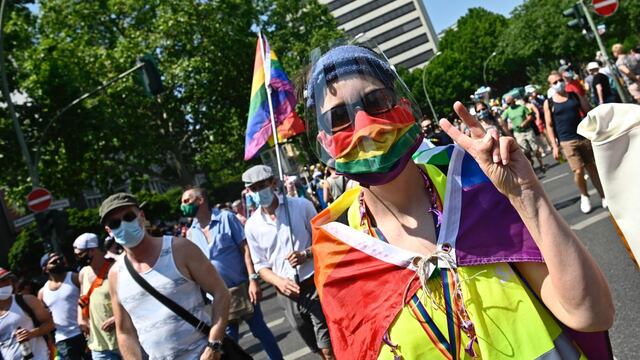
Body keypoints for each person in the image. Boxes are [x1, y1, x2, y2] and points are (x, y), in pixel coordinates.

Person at [304, 44, 613, 359]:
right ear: (325, 143)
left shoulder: (476, 187)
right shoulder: (339, 254)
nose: (365, 127)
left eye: (377, 101)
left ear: (406, 108)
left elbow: (590, 314)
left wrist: (527, 195)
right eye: (339, 117)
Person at [102, 193, 231, 360]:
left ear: (141, 216)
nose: (124, 225)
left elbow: (221, 292)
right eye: (115, 223)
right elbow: (125, 331)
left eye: (128, 217)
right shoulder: (115, 275)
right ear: (109, 231)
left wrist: (214, 344)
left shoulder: (180, 249)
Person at [242, 165, 334, 360]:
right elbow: (260, 265)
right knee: (315, 348)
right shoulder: (252, 225)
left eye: (261, 186)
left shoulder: (301, 206)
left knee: (327, 346)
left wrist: (305, 254)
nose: (258, 192)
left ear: (273, 183)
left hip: (315, 284)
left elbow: (326, 240)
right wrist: (278, 282)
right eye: (253, 188)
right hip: (287, 294)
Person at [181, 187, 284, 360]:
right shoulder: (191, 233)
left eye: (186, 201)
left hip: (243, 289)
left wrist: (253, 279)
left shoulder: (225, 218)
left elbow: (245, 249)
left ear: (200, 200)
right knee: (228, 342)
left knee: (260, 332)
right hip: (218, 298)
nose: (183, 206)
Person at [544, 71, 606, 213]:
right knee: (578, 170)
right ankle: (584, 195)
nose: (558, 83)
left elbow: (587, 110)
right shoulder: (549, 103)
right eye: (554, 82)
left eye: (560, 80)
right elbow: (549, 125)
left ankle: (604, 196)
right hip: (567, 141)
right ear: (550, 86)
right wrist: (554, 146)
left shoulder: (573, 96)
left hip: (583, 137)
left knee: (592, 167)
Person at [73, 233, 120, 359]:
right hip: (99, 347)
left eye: (80, 254)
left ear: (92, 250)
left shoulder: (116, 269)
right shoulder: (83, 273)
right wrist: (81, 319)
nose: (77, 258)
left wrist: (117, 317)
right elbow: (83, 299)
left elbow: (133, 300)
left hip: (123, 340)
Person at [38, 252, 90, 360]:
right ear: (45, 269)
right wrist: (51, 339)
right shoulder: (42, 293)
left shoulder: (74, 278)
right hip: (63, 340)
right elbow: (45, 320)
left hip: (85, 332)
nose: (58, 262)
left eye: (60, 259)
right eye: (53, 262)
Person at [0, 267, 54, 360]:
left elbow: (50, 324)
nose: (8, 283)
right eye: (2, 281)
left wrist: (32, 334)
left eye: (9, 279)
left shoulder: (27, 300)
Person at [501, 95, 545, 172]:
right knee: (525, 151)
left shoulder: (522, 107)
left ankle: (541, 164)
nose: (509, 105)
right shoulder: (507, 111)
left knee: (535, 148)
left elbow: (530, 116)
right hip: (518, 133)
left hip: (528, 130)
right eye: (507, 103)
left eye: (509, 103)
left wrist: (525, 122)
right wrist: (507, 129)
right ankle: (531, 165)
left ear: (513, 101)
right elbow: (502, 120)